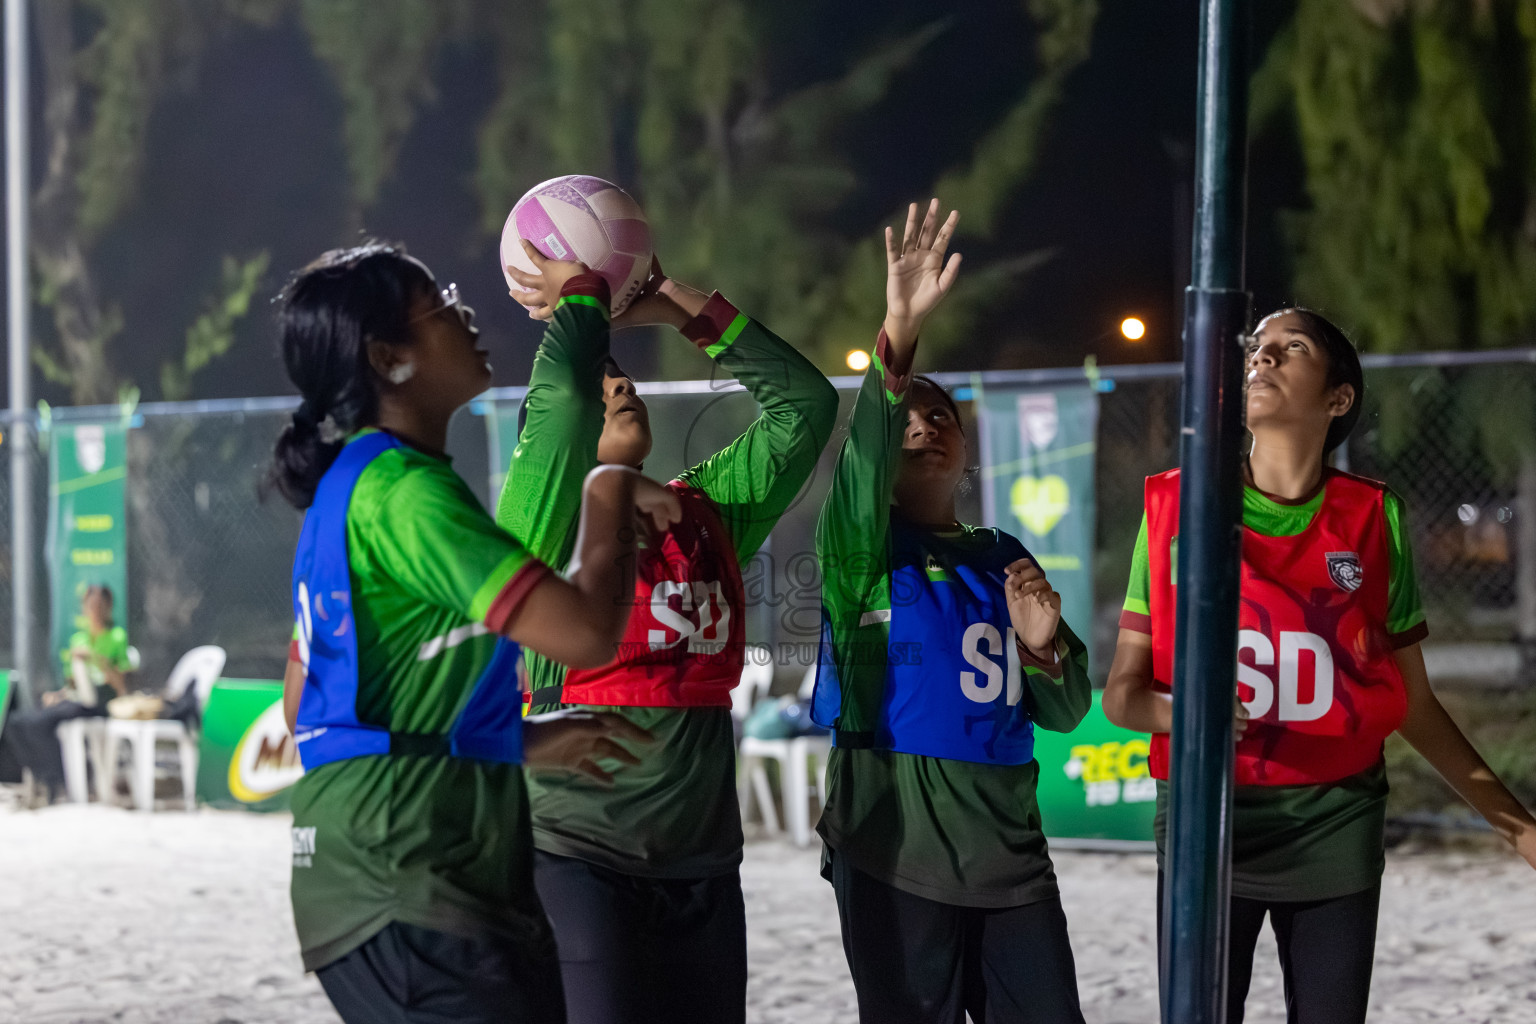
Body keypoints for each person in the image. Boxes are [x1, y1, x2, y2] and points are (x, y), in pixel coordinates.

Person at [270, 241, 680, 1024]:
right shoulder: (407, 495)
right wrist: (608, 487)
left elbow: (306, 708)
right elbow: (591, 632)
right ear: (390, 357)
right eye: (441, 304)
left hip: (371, 873)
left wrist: (514, 741)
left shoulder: (355, 487)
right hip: (412, 874)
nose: (465, 314)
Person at [1102, 307, 1536, 1024]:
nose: (1261, 359)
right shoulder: (1175, 504)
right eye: (1254, 349)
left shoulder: (1372, 519)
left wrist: (1518, 828)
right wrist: (1186, 714)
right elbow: (1123, 696)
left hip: (1335, 820)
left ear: (1338, 399)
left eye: (1289, 348)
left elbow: (1413, 705)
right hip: (1208, 821)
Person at [498, 238, 839, 1023]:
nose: (618, 384)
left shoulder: (704, 513)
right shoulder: (541, 520)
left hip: (704, 861)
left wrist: (678, 304)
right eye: (602, 381)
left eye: (624, 377)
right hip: (578, 854)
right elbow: (562, 399)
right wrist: (579, 289)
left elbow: (805, 409)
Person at [812, 199, 1092, 1024]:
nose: (927, 424)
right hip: (898, 851)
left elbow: (1069, 709)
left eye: (943, 416)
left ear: (965, 449)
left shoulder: (1007, 553)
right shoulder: (862, 549)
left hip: (1012, 863)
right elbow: (859, 467)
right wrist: (899, 328)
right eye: (910, 414)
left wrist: (1045, 652)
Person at [0, 584, 131, 803]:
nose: (95, 610)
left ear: (108, 607)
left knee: (41, 724)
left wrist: (96, 658)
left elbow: (121, 685)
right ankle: (45, 775)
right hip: (78, 699)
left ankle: (57, 780)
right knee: (16, 723)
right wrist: (58, 695)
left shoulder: (116, 637)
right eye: (91, 605)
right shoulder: (78, 640)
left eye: (100, 605)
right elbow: (73, 685)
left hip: (101, 701)